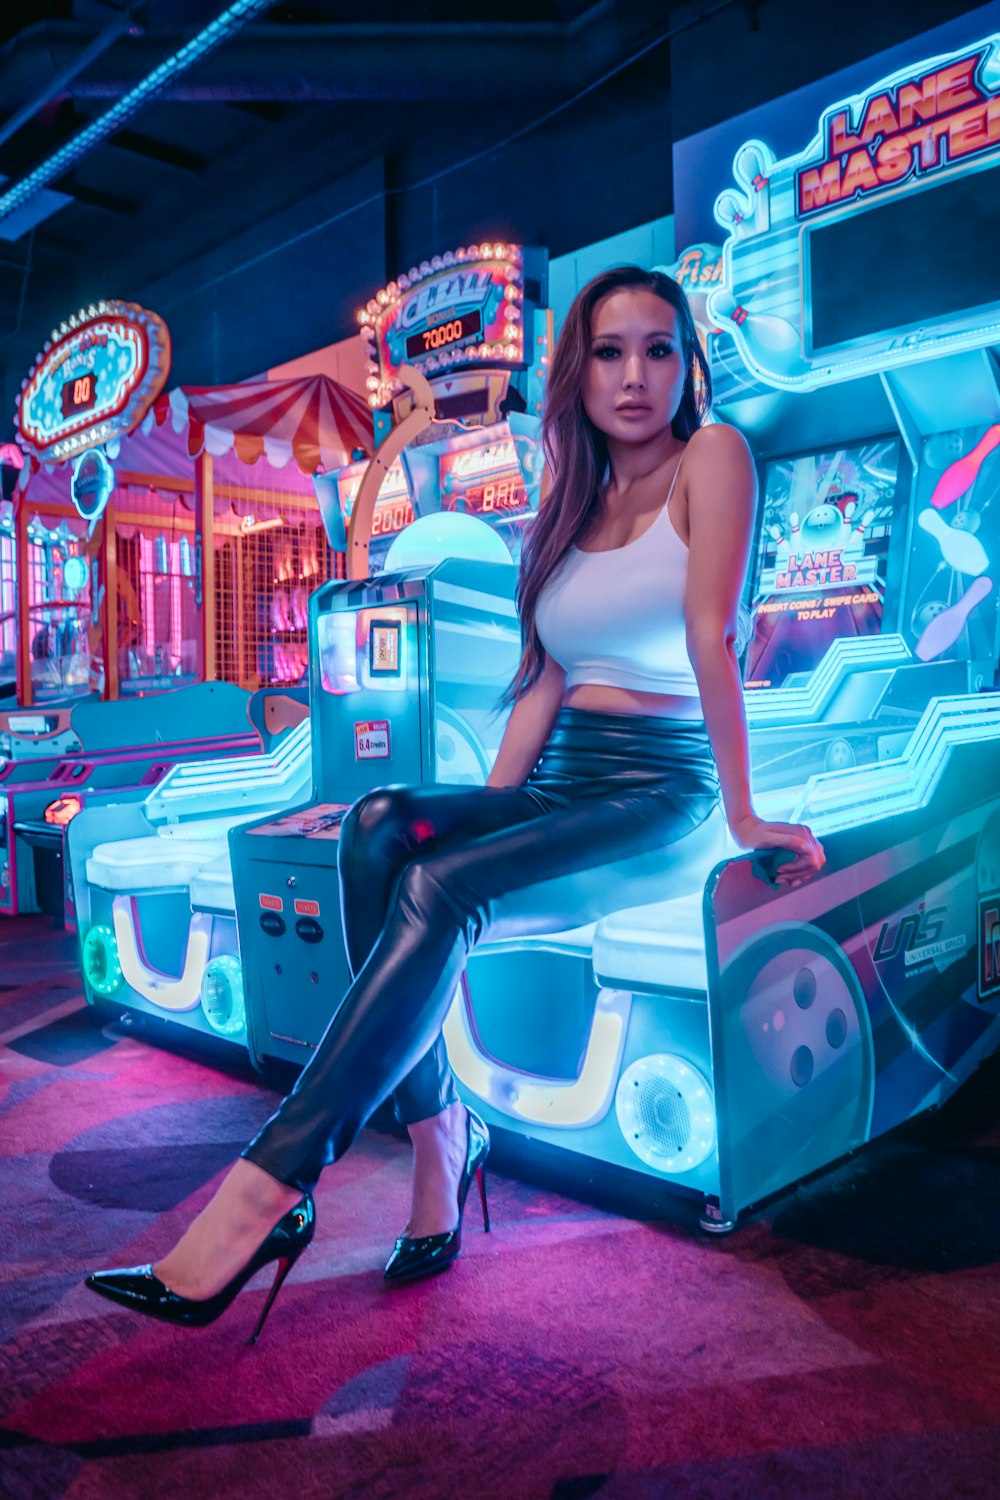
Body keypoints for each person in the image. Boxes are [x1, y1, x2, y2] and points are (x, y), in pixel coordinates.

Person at [85, 266, 825, 1338]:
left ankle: (266, 1189)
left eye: (658, 349)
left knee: (439, 885)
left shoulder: (711, 458)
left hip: (661, 787)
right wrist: (481, 817)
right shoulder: (566, 510)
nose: (634, 375)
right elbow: (543, 683)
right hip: (567, 775)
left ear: (687, 364)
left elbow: (711, 636)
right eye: (611, 352)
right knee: (385, 827)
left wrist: (747, 815)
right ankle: (441, 1139)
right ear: (578, 372)